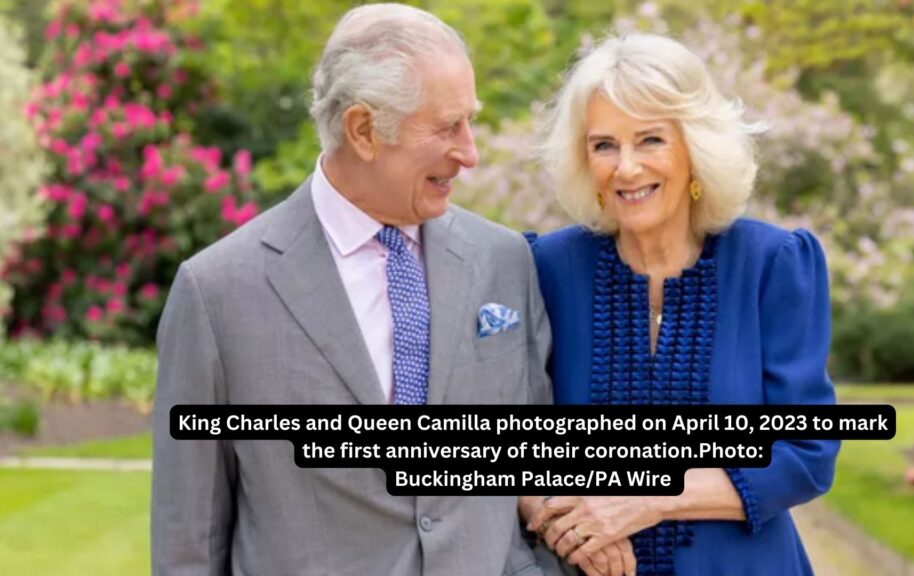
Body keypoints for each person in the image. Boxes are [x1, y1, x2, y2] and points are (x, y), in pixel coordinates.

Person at [151, 4, 555, 575]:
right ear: (363, 130)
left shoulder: (504, 260)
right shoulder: (216, 293)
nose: (470, 152)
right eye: (446, 126)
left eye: (469, 121)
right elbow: (186, 545)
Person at [523, 33, 839, 575]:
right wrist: (568, 526)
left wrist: (648, 499)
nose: (626, 168)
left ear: (695, 148)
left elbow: (808, 455)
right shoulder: (544, 268)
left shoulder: (773, 262)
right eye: (604, 145)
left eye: (650, 140)